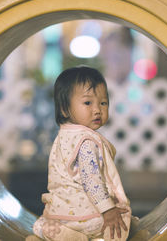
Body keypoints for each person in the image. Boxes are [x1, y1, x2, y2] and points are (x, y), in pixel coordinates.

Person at [30, 66, 131, 241]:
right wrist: (108, 210)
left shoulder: (64, 136)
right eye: (87, 103)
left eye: (103, 103)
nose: (97, 109)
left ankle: (50, 232)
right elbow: (91, 179)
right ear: (64, 109)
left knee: (43, 222)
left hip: (58, 214)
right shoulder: (86, 142)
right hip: (90, 216)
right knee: (122, 220)